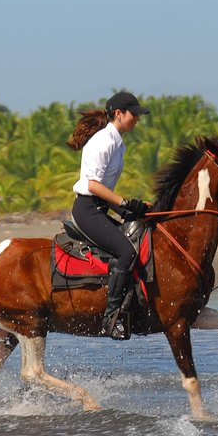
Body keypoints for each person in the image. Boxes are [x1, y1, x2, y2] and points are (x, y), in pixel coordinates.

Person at [67, 91, 151, 340]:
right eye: (133, 114)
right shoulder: (103, 141)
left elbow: (105, 190)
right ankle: (110, 318)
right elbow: (93, 186)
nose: (137, 118)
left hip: (100, 207)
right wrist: (125, 202)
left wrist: (129, 210)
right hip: (87, 210)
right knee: (127, 252)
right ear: (119, 114)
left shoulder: (118, 142)